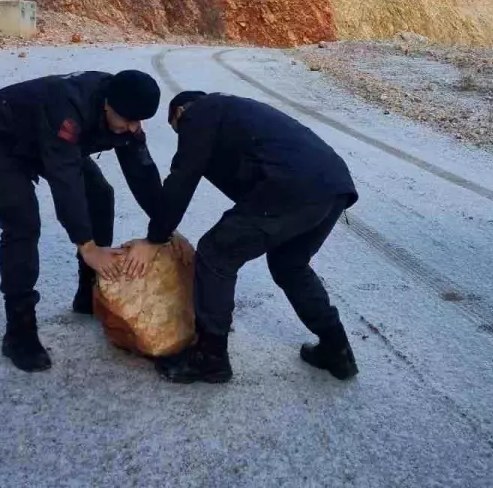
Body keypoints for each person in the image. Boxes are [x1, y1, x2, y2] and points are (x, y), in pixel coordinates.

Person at [122, 91, 360, 384]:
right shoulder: (236, 114)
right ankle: (337, 349)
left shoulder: (199, 114)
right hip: (333, 186)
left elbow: (182, 179)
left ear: (180, 112)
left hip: (292, 186)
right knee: (290, 265)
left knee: (215, 253)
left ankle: (210, 357)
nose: (182, 136)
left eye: (177, 128)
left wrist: (155, 237)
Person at [0, 69, 162, 372]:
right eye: (127, 120)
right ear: (107, 105)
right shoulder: (69, 110)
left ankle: (89, 293)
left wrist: (161, 227)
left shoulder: (126, 105)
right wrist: (87, 245)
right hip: (1, 136)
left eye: (139, 121)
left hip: (51, 138)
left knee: (100, 195)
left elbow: (142, 172)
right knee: (22, 224)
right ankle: (19, 331)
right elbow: (65, 180)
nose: (132, 127)